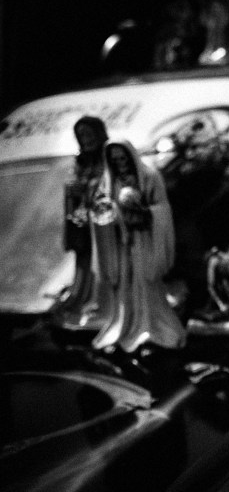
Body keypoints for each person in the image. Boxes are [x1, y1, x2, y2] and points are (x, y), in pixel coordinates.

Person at [91, 139, 186, 354]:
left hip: (143, 240)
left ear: (131, 156)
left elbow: (162, 208)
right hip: (120, 243)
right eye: (115, 161)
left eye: (123, 159)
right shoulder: (107, 182)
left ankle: (151, 329)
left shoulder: (150, 177)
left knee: (145, 284)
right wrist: (109, 212)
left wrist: (143, 212)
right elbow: (99, 208)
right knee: (124, 288)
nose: (120, 164)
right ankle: (123, 331)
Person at [56, 116, 112, 327]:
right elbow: (74, 183)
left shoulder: (109, 157)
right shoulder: (81, 161)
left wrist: (90, 188)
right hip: (84, 221)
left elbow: (110, 185)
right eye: (81, 136)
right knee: (84, 262)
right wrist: (74, 189)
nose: (86, 139)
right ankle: (81, 297)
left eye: (89, 134)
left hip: (103, 223)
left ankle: (101, 301)